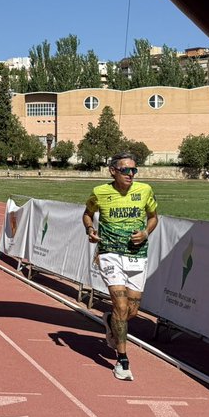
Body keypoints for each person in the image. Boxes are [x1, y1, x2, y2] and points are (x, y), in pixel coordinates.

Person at [82, 152, 159, 381]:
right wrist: (90, 230)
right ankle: (123, 360)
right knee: (121, 304)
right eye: (126, 170)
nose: (131, 174)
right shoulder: (100, 192)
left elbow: (154, 217)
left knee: (130, 311)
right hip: (110, 254)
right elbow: (87, 214)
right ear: (113, 171)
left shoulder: (144, 191)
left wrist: (145, 232)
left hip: (136, 255)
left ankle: (108, 320)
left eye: (134, 170)